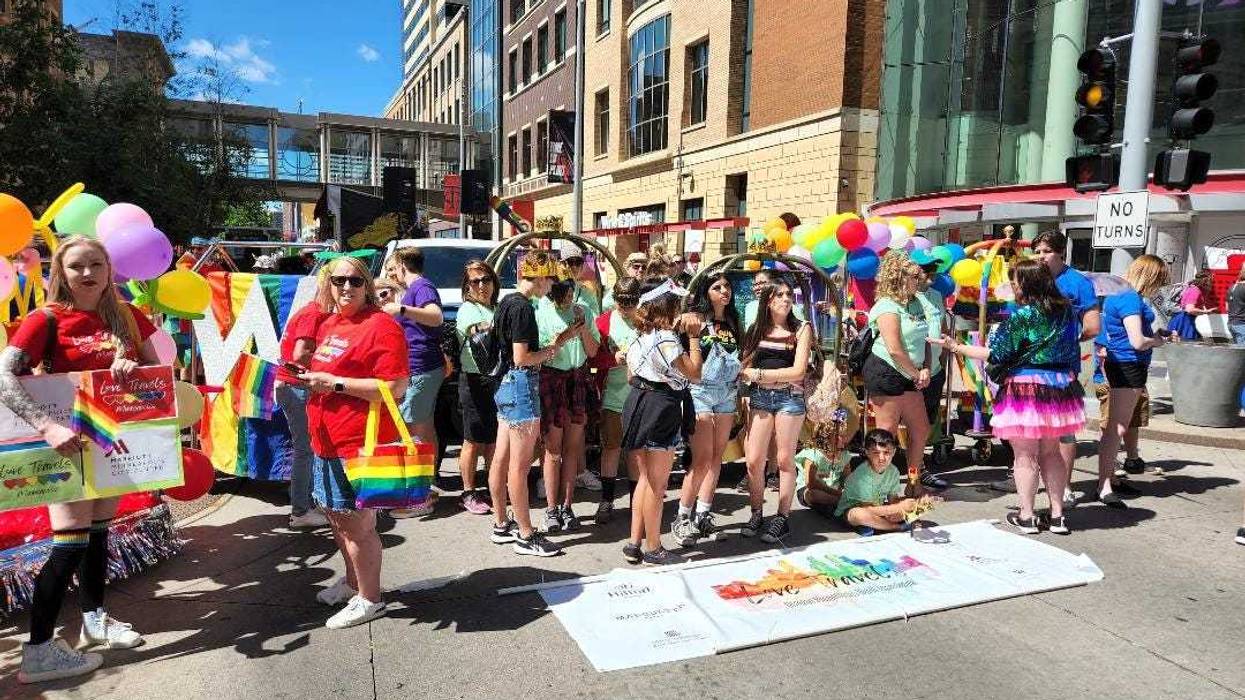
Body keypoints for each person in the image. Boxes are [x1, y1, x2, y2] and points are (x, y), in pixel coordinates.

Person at [4, 237, 155, 683]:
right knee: (67, 547)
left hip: (111, 442)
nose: (87, 274)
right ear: (60, 273)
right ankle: (38, 653)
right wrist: (46, 427)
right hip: (66, 445)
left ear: (110, 269)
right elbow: (3, 375)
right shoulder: (45, 318)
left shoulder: (126, 315)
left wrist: (133, 368)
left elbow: (157, 374)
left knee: (97, 537)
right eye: (76, 266)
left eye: (96, 264)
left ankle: (95, 620)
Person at [936, 259, 1086, 535]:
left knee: (1025, 455)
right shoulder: (1067, 313)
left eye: (1016, 282)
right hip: (1058, 387)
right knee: (1052, 454)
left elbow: (995, 354)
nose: (1013, 287)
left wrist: (955, 346)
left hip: (1024, 389)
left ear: (1027, 284)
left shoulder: (1022, 316)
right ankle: (1057, 517)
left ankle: (1027, 516)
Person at [300, 255, 410, 629]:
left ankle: (371, 598)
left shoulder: (381, 327)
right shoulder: (331, 323)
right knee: (337, 517)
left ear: (367, 285)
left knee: (357, 525)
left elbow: (396, 387)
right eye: (338, 280)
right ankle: (352, 583)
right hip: (326, 438)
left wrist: (335, 384)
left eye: (355, 281)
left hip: (358, 442)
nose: (346, 287)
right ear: (328, 285)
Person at [487, 251, 581, 557]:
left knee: (502, 457)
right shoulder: (524, 308)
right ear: (539, 278)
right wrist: (550, 353)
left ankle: (502, 523)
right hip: (521, 385)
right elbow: (522, 358)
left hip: (505, 385)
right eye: (549, 279)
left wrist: (556, 344)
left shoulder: (506, 302)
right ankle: (526, 534)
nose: (551, 286)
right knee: (520, 464)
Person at [620, 278, 704, 566]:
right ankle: (653, 547)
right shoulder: (666, 338)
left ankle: (635, 542)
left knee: (644, 479)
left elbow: (631, 375)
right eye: (676, 303)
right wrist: (694, 338)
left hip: (638, 401)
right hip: (661, 406)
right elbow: (694, 373)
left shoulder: (639, 336)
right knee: (657, 484)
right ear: (665, 306)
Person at [1028, 230, 1101, 506]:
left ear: (1060, 252)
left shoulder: (1077, 283)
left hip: (1062, 367)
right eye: (1037, 252)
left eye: (1046, 251)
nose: (1040, 257)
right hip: (1030, 366)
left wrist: (1070, 339)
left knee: (1062, 430)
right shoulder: (1032, 278)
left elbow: (1093, 325)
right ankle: (1031, 480)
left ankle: (1064, 485)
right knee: (1034, 429)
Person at [739, 277, 814, 543]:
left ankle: (782, 517)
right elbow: (742, 366)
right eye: (779, 295)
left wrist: (760, 374)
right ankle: (757, 512)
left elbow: (799, 371)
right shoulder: (756, 329)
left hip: (789, 399)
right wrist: (751, 379)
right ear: (768, 301)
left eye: (789, 295)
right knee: (754, 460)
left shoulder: (801, 328)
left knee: (784, 459)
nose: (786, 299)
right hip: (760, 397)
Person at [672, 273, 743, 546]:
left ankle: (703, 514)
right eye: (717, 287)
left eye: (727, 286)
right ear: (706, 292)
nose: (724, 291)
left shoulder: (733, 321)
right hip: (699, 391)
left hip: (726, 392)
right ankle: (682, 516)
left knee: (716, 457)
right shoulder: (695, 319)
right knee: (700, 459)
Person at [1095, 255, 1169, 509]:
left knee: (1116, 426)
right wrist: (1158, 341)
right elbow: (1136, 340)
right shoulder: (1129, 298)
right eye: (1158, 282)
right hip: (1129, 365)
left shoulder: (1119, 295)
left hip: (1123, 364)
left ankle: (1108, 479)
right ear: (1150, 277)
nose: (1157, 288)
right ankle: (1105, 483)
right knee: (1117, 428)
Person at [536, 271, 601, 532]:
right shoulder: (542, 310)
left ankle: (567, 506)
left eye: (572, 291)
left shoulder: (584, 310)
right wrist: (563, 337)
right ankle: (551, 509)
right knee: (553, 449)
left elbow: (593, 351)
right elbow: (543, 353)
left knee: (573, 448)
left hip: (579, 379)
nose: (569, 298)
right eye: (564, 293)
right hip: (553, 379)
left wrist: (583, 327)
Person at [382, 248, 444, 518]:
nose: (391, 272)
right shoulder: (413, 289)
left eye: (393, 267)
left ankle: (422, 495)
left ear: (403, 264)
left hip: (421, 368)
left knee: (414, 432)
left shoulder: (421, 287)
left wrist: (401, 308)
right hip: (418, 368)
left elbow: (436, 316)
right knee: (419, 429)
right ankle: (424, 487)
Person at [862, 252, 931, 495]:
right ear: (898, 278)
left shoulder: (916, 302)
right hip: (886, 372)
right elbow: (894, 349)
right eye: (914, 276)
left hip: (912, 373)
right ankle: (881, 487)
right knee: (886, 436)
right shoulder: (886, 306)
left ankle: (913, 481)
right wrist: (916, 373)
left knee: (920, 429)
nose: (919, 279)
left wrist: (925, 368)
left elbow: (924, 339)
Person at [276, 295, 329, 529]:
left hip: (293, 386)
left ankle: (305, 504)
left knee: (306, 449)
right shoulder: (313, 313)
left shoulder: (311, 311)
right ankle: (300, 512)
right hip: (295, 386)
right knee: (305, 450)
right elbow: (300, 354)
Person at [453, 260, 501, 515]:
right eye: (475, 281)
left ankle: (493, 487)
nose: (482, 285)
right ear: (467, 286)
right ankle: (468, 492)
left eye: (486, 279)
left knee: (493, 439)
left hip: (495, 379)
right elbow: (475, 330)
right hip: (473, 380)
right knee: (472, 440)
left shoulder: (495, 307)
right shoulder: (468, 309)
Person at [593, 278, 643, 524]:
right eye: (622, 301)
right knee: (611, 448)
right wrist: (613, 358)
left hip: (639, 395)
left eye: (631, 301)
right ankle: (607, 500)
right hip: (612, 394)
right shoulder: (604, 322)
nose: (627, 307)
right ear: (615, 299)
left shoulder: (645, 321)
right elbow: (592, 357)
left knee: (635, 451)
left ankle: (636, 501)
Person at [835, 429, 918, 536]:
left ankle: (877, 525)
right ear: (867, 452)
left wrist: (901, 510)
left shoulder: (894, 471)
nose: (882, 458)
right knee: (860, 514)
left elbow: (893, 499)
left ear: (894, 452)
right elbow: (867, 508)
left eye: (887, 452)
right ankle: (896, 527)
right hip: (851, 511)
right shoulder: (863, 474)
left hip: (877, 508)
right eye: (876, 453)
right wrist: (897, 508)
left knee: (917, 506)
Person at [914, 260, 950, 490]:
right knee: (908, 426)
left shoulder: (937, 295)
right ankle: (910, 472)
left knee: (926, 423)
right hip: (911, 371)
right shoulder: (905, 297)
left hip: (934, 370)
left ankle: (918, 469)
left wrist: (943, 360)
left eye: (934, 274)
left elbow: (943, 328)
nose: (931, 278)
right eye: (926, 273)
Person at [796, 420, 855, 520]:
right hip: (812, 489)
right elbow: (811, 483)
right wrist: (836, 494)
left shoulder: (845, 456)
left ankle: (831, 507)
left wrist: (847, 488)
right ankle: (841, 503)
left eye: (843, 435)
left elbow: (847, 478)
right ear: (825, 438)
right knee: (813, 494)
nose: (842, 439)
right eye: (837, 436)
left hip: (835, 490)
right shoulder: (813, 454)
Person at [1167, 269, 1215, 341]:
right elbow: (1189, 309)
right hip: (1185, 321)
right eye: (1212, 280)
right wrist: (1206, 312)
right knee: (1187, 346)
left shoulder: (1197, 289)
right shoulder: (1195, 290)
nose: (1214, 282)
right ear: (1206, 280)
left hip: (1186, 320)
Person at [1228, 267, 1245, 346]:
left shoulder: (1231, 287)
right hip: (1242, 325)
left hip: (1231, 324)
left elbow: (1227, 307)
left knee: (1237, 354)